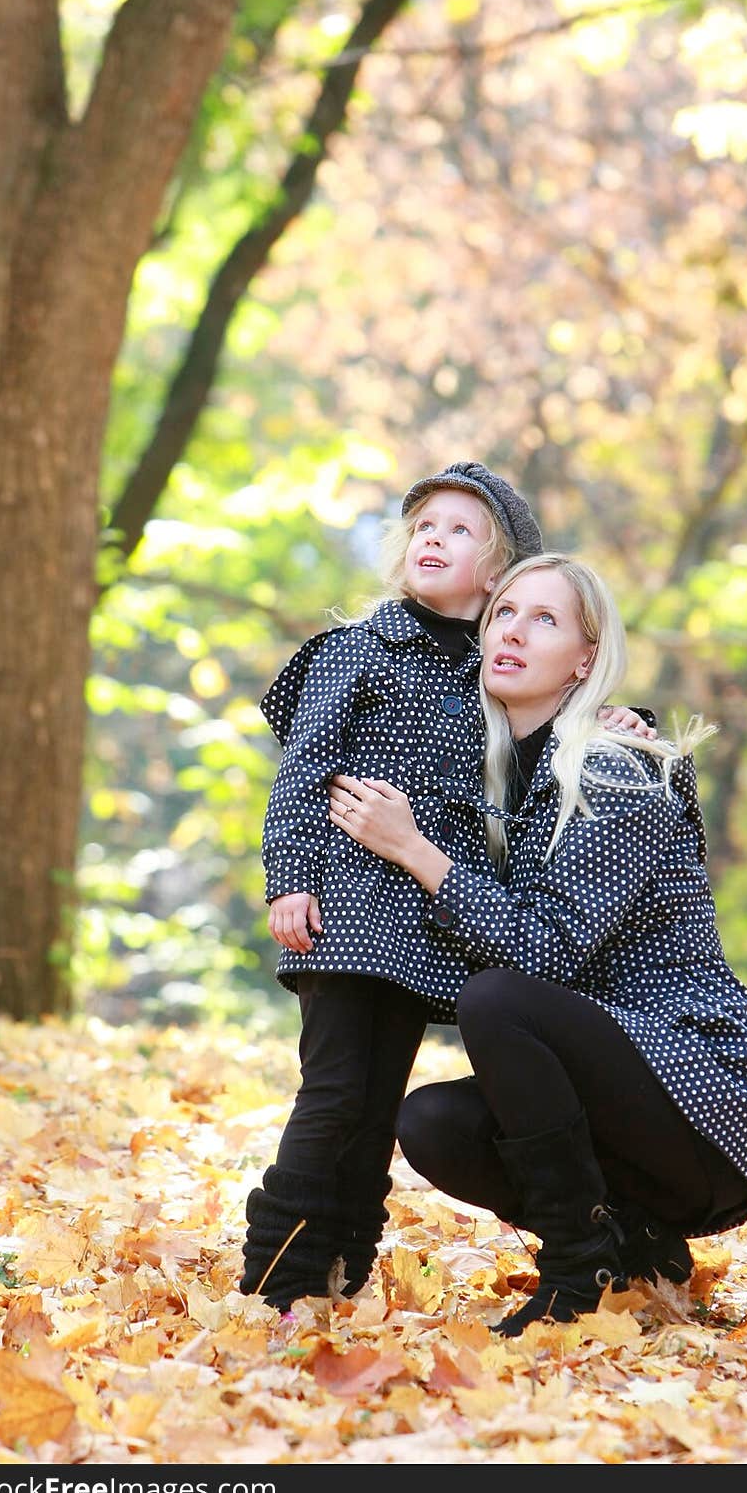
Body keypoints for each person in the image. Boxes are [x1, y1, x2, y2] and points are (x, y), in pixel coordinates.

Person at [327, 551, 747, 1336]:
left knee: (498, 997)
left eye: (545, 619)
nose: (513, 630)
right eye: (503, 612)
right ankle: (637, 1245)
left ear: (584, 659)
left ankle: (579, 1269)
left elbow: (535, 957)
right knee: (434, 1122)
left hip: (704, 1096)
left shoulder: (615, 771)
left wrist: (415, 851)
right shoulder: (495, 789)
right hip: (623, 1104)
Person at [240, 465, 653, 1311]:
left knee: (373, 1103)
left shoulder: (495, 672)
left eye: (461, 530)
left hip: (429, 929)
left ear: (501, 571)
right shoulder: (361, 646)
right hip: (349, 911)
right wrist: (290, 878)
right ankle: (276, 1276)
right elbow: (302, 770)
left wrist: (616, 717)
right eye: (424, 525)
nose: (433, 537)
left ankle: (342, 1267)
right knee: (334, 1095)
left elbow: (551, 729)